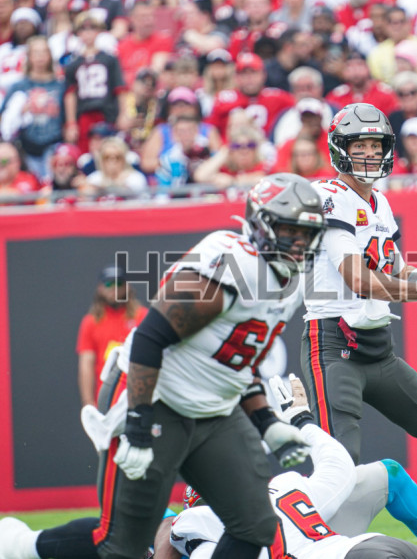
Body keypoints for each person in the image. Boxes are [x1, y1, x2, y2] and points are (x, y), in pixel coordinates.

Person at [0, 175, 323, 559]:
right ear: (261, 224)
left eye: (307, 234)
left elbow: (240, 362)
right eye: (290, 231)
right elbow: (150, 339)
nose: (299, 243)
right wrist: (138, 422)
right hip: (155, 396)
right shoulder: (231, 265)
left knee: (256, 526)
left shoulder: (290, 282)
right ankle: (19, 547)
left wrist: (267, 422)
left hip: (214, 410)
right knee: (121, 546)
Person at [301, 102, 417, 502]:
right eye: (359, 146)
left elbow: (398, 272)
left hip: (378, 350)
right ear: (339, 149)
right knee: (340, 465)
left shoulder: (379, 202)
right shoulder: (329, 196)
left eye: (375, 145)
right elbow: (359, 280)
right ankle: (311, 535)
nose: (369, 154)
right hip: (334, 345)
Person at [164, 375, 417, 559]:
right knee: (383, 474)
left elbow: (170, 530)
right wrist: (302, 420)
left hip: (343, 551)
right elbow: (339, 465)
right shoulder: (286, 485)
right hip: (363, 545)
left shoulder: (198, 524)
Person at [76, 266, 148, 408]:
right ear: (100, 288)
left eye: (119, 284)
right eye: (109, 284)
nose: (114, 289)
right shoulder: (91, 322)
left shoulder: (142, 316)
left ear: (127, 287)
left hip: (136, 397)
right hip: (106, 398)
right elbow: (86, 364)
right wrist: (88, 403)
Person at [63, 11, 130, 154]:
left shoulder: (110, 59)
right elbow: (70, 94)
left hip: (107, 113)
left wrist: (123, 114)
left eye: (92, 29)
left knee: (110, 150)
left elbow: (120, 89)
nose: (88, 34)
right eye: (83, 29)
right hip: (84, 114)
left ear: (98, 31)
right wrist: (71, 123)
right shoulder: (73, 64)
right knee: (86, 152)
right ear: (78, 33)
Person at [0, 35, 64, 181]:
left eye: (44, 52)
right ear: (29, 57)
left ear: (50, 55)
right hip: (26, 146)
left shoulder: (59, 85)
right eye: (36, 52)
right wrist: (18, 114)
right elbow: (4, 118)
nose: (40, 57)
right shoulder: (19, 86)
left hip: (54, 143)